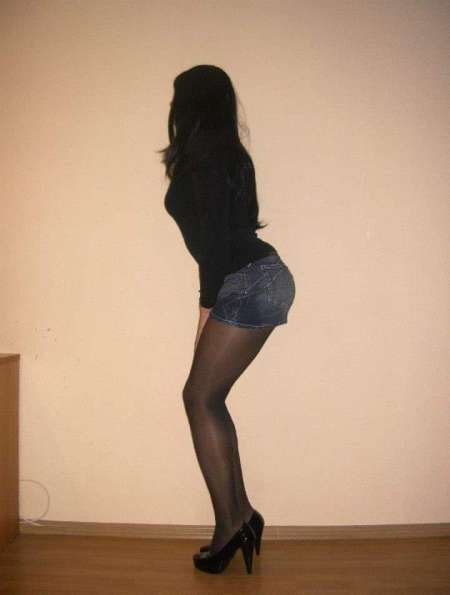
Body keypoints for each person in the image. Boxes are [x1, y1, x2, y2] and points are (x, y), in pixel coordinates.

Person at [159, 64, 296, 574]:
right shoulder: (227, 157)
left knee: (199, 399)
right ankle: (240, 517)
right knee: (207, 399)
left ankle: (230, 526)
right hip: (255, 276)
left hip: (248, 279)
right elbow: (218, 242)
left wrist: (205, 311)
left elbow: (215, 249)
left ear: (189, 105)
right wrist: (207, 308)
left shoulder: (208, 162)